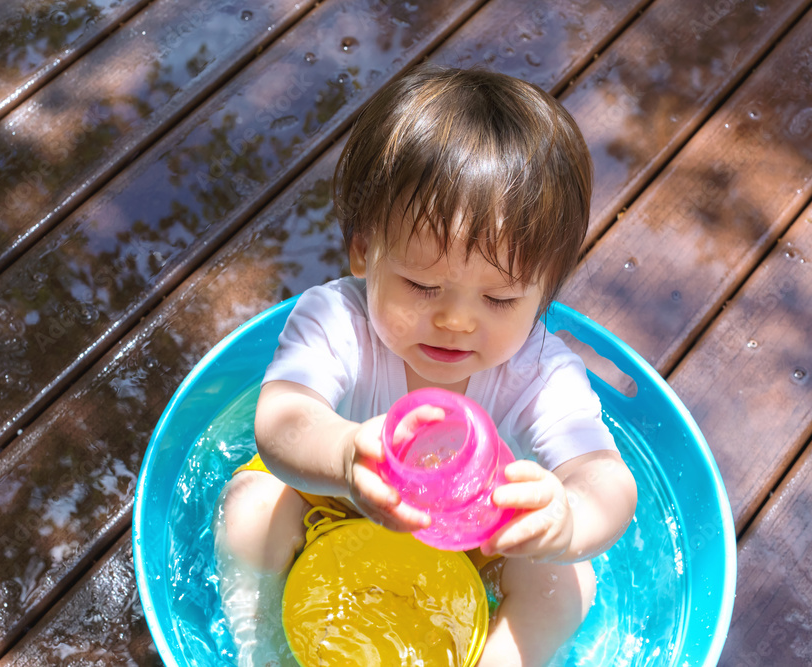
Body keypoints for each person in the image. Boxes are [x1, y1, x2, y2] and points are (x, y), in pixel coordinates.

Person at [215, 63, 638, 667]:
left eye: (499, 299)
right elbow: (283, 419)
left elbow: (610, 482)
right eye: (421, 284)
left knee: (568, 585)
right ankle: (260, 648)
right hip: (336, 499)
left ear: (544, 292)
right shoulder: (337, 320)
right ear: (364, 251)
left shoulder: (540, 370)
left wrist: (566, 518)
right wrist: (343, 456)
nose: (458, 321)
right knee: (250, 506)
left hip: (478, 534)